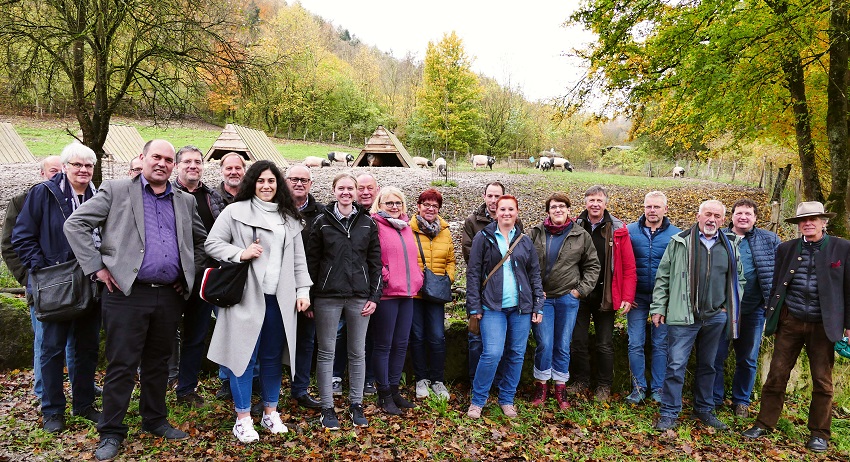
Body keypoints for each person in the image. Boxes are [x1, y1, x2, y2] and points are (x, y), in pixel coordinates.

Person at [63, 139, 208, 461]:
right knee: (122, 365)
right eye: (156, 157)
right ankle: (111, 431)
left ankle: (154, 419)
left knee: (158, 363)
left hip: (170, 296)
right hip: (126, 294)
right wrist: (97, 268)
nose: (162, 163)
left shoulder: (184, 201)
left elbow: (201, 242)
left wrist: (190, 273)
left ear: (174, 166)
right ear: (143, 158)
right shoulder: (116, 191)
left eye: (169, 160)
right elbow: (76, 225)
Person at [205, 160, 312, 443]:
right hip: (246, 297)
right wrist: (241, 253)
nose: (266, 186)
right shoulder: (235, 211)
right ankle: (242, 418)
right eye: (261, 181)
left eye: (272, 181)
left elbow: (299, 260)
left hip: (281, 299)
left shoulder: (289, 217)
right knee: (243, 358)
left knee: (272, 358)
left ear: (279, 185)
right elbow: (212, 243)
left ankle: (270, 412)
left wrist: (303, 292)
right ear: (252, 182)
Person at [743, 201, 850, 453]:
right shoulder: (786, 248)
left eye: (814, 219)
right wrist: (774, 316)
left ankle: (819, 433)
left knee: (822, 381)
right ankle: (764, 423)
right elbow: (777, 285)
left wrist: (848, 325)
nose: (808, 223)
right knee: (776, 375)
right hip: (790, 322)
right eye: (803, 220)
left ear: (824, 221)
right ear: (799, 224)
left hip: (824, 325)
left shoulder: (842, 248)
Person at [12, 144, 101, 433]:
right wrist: (41, 270)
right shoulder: (44, 193)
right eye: (77, 165)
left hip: (89, 284)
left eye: (88, 166)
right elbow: (22, 235)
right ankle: (52, 410)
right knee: (51, 350)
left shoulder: (96, 194)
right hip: (55, 284)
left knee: (85, 348)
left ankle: (84, 404)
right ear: (65, 167)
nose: (83, 170)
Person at [650, 200, 743, 431]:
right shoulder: (680, 242)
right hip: (684, 316)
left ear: (724, 220)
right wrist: (659, 307)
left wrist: (726, 308)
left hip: (715, 317)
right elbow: (663, 277)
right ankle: (669, 412)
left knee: (709, 365)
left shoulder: (731, 244)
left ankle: (703, 410)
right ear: (698, 216)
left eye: (718, 216)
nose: (712, 219)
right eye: (708, 214)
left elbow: (739, 279)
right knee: (676, 365)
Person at [307, 173, 382, 430]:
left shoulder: (367, 223)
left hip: (359, 296)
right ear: (334, 190)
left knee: (357, 352)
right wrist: (309, 295)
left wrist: (374, 296)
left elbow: (375, 263)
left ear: (356, 191)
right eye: (342, 188)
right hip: (327, 296)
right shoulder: (321, 223)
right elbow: (311, 263)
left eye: (350, 188)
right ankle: (327, 407)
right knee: (326, 352)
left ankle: (356, 404)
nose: (346, 192)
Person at [465, 195, 544, 419]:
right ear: (496, 212)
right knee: (492, 352)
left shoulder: (525, 241)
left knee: (517, 353)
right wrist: (474, 305)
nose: (506, 213)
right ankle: (478, 400)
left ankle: (507, 399)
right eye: (502, 209)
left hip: (520, 307)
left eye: (511, 209)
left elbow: (534, 274)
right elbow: (472, 273)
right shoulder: (484, 237)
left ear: (517, 212)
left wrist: (538, 304)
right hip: (492, 306)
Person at [2, 156, 66, 400]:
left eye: (62, 170)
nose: (58, 175)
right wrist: (29, 280)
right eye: (53, 171)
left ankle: (82, 386)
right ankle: (43, 392)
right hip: (41, 287)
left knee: (73, 343)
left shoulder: (72, 201)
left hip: (71, 286)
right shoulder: (22, 201)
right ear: (41, 174)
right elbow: (9, 246)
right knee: (45, 342)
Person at [528, 193, 599, 409]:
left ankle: (560, 387)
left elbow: (593, 266)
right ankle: (541, 386)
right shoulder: (535, 233)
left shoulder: (580, 235)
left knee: (562, 344)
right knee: (545, 342)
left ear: (568, 209)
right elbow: (524, 263)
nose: (558, 210)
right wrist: (534, 292)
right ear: (547, 211)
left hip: (568, 298)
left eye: (562, 206)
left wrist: (579, 291)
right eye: (553, 207)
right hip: (543, 299)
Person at [712, 199, 779, 417]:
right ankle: (715, 397)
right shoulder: (718, 237)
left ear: (756, 218)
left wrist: (771, 306)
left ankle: (741, 400)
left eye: (748, 214)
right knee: (716, 355)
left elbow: (778, 274)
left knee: (748, 358)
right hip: (722, 309)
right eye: (739, 213)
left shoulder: (769, 240)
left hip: (753, 309)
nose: (743, 217)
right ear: (731, 216)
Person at [171, 146, 227, 408]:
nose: (193, 166)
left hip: (204, 280)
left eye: (198, 161)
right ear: (177, 166)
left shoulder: (213, 198)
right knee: (164, 336)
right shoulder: (166, 195)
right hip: (171, 279)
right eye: (187, 162)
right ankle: (159, 385)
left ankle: (186, 389)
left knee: (196, 337)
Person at [569, 185, 636, 402]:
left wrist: (627, 296)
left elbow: (628, 266)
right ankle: (580, 380)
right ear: (585, 203)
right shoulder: (576, 225)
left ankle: (604, 386)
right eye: (591, 200)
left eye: (599, 200)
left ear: (605, 203)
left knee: (604, 343)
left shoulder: (617, 228)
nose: (595, 204)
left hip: (605, 293)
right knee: (577, 340)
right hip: (579, 294)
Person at [461, 181, 522, 381]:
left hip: (505, 291)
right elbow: (471, 258)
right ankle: (475, 381)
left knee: (502, 343)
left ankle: (497, 381)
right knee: (477, 339)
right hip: (481, 289)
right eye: (490, 196)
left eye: (498, 196)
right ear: (484, 197)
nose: (494, 201)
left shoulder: (515, 222)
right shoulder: (473, 222)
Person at [370, 186, 423, 414]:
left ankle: (394, 390)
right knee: (384, 345)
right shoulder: (374, 225)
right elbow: (371, 259)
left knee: (401, 344)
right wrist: (387, 277)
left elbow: (413, 257)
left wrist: (418, 278)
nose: (394, 207)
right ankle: (383, 393)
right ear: (379, 205)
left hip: (408, 293)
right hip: (388, 294)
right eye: (389, 203)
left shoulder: (406, 227)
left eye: (398, 203)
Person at [624, 191, 680, 404]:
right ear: (644, 207)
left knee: (660, 343)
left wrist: (667, 300)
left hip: (662, 299)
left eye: (657, 207)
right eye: (649, 206)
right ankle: (638, 387)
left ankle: (658, 388)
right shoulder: (629, 231)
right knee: (635, 342)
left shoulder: (676, 235)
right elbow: (620, 265)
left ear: (665, 209)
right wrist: (627, 294)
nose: (652, 210)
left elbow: (679, 270)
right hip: (637, 297)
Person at [331, 173, 379, 396]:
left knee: (366, 336)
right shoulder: (335, 217)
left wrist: (374, 293)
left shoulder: (376, 218)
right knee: (339, 333)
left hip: (364, 287)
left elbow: (374, 259)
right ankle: (336, 375)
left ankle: (367, 379)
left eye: (370, 188)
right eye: (362, 188)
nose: (365, 192)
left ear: (376, 190)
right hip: (338, 287)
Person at [409, 189, 456, 400]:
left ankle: (438, 380)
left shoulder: (445, 230)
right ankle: (421, 379)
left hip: (437, 292)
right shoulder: (408, 229)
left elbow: (451, 260)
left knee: (437, 336)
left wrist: (448, 279)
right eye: (426, 204)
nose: (430, 209)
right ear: (418, 206)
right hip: (415, 293)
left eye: (434, 206)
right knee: (417, 336)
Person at [285, 164, 324, 409]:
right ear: (285, 181)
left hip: (307, 289)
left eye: (304, 180)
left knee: (306, 341)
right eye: (294, 179)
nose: (299, 184)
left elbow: (323, 257)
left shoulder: (321, 214)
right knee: (274, 341)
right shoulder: (274, 209)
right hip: (276, 287)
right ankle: (266, 391)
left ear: (310, 184)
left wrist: (313, 295)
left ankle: (300, 389)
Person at [213, 151, 246, 400]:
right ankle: (226, 378)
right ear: (221, 170)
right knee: (225, 327)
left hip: (249, 272)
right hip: (223, 272)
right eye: (229, 168)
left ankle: (250, 377)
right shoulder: (212, 197)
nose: (233, 172)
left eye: (238, 168)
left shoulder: (252, 197)